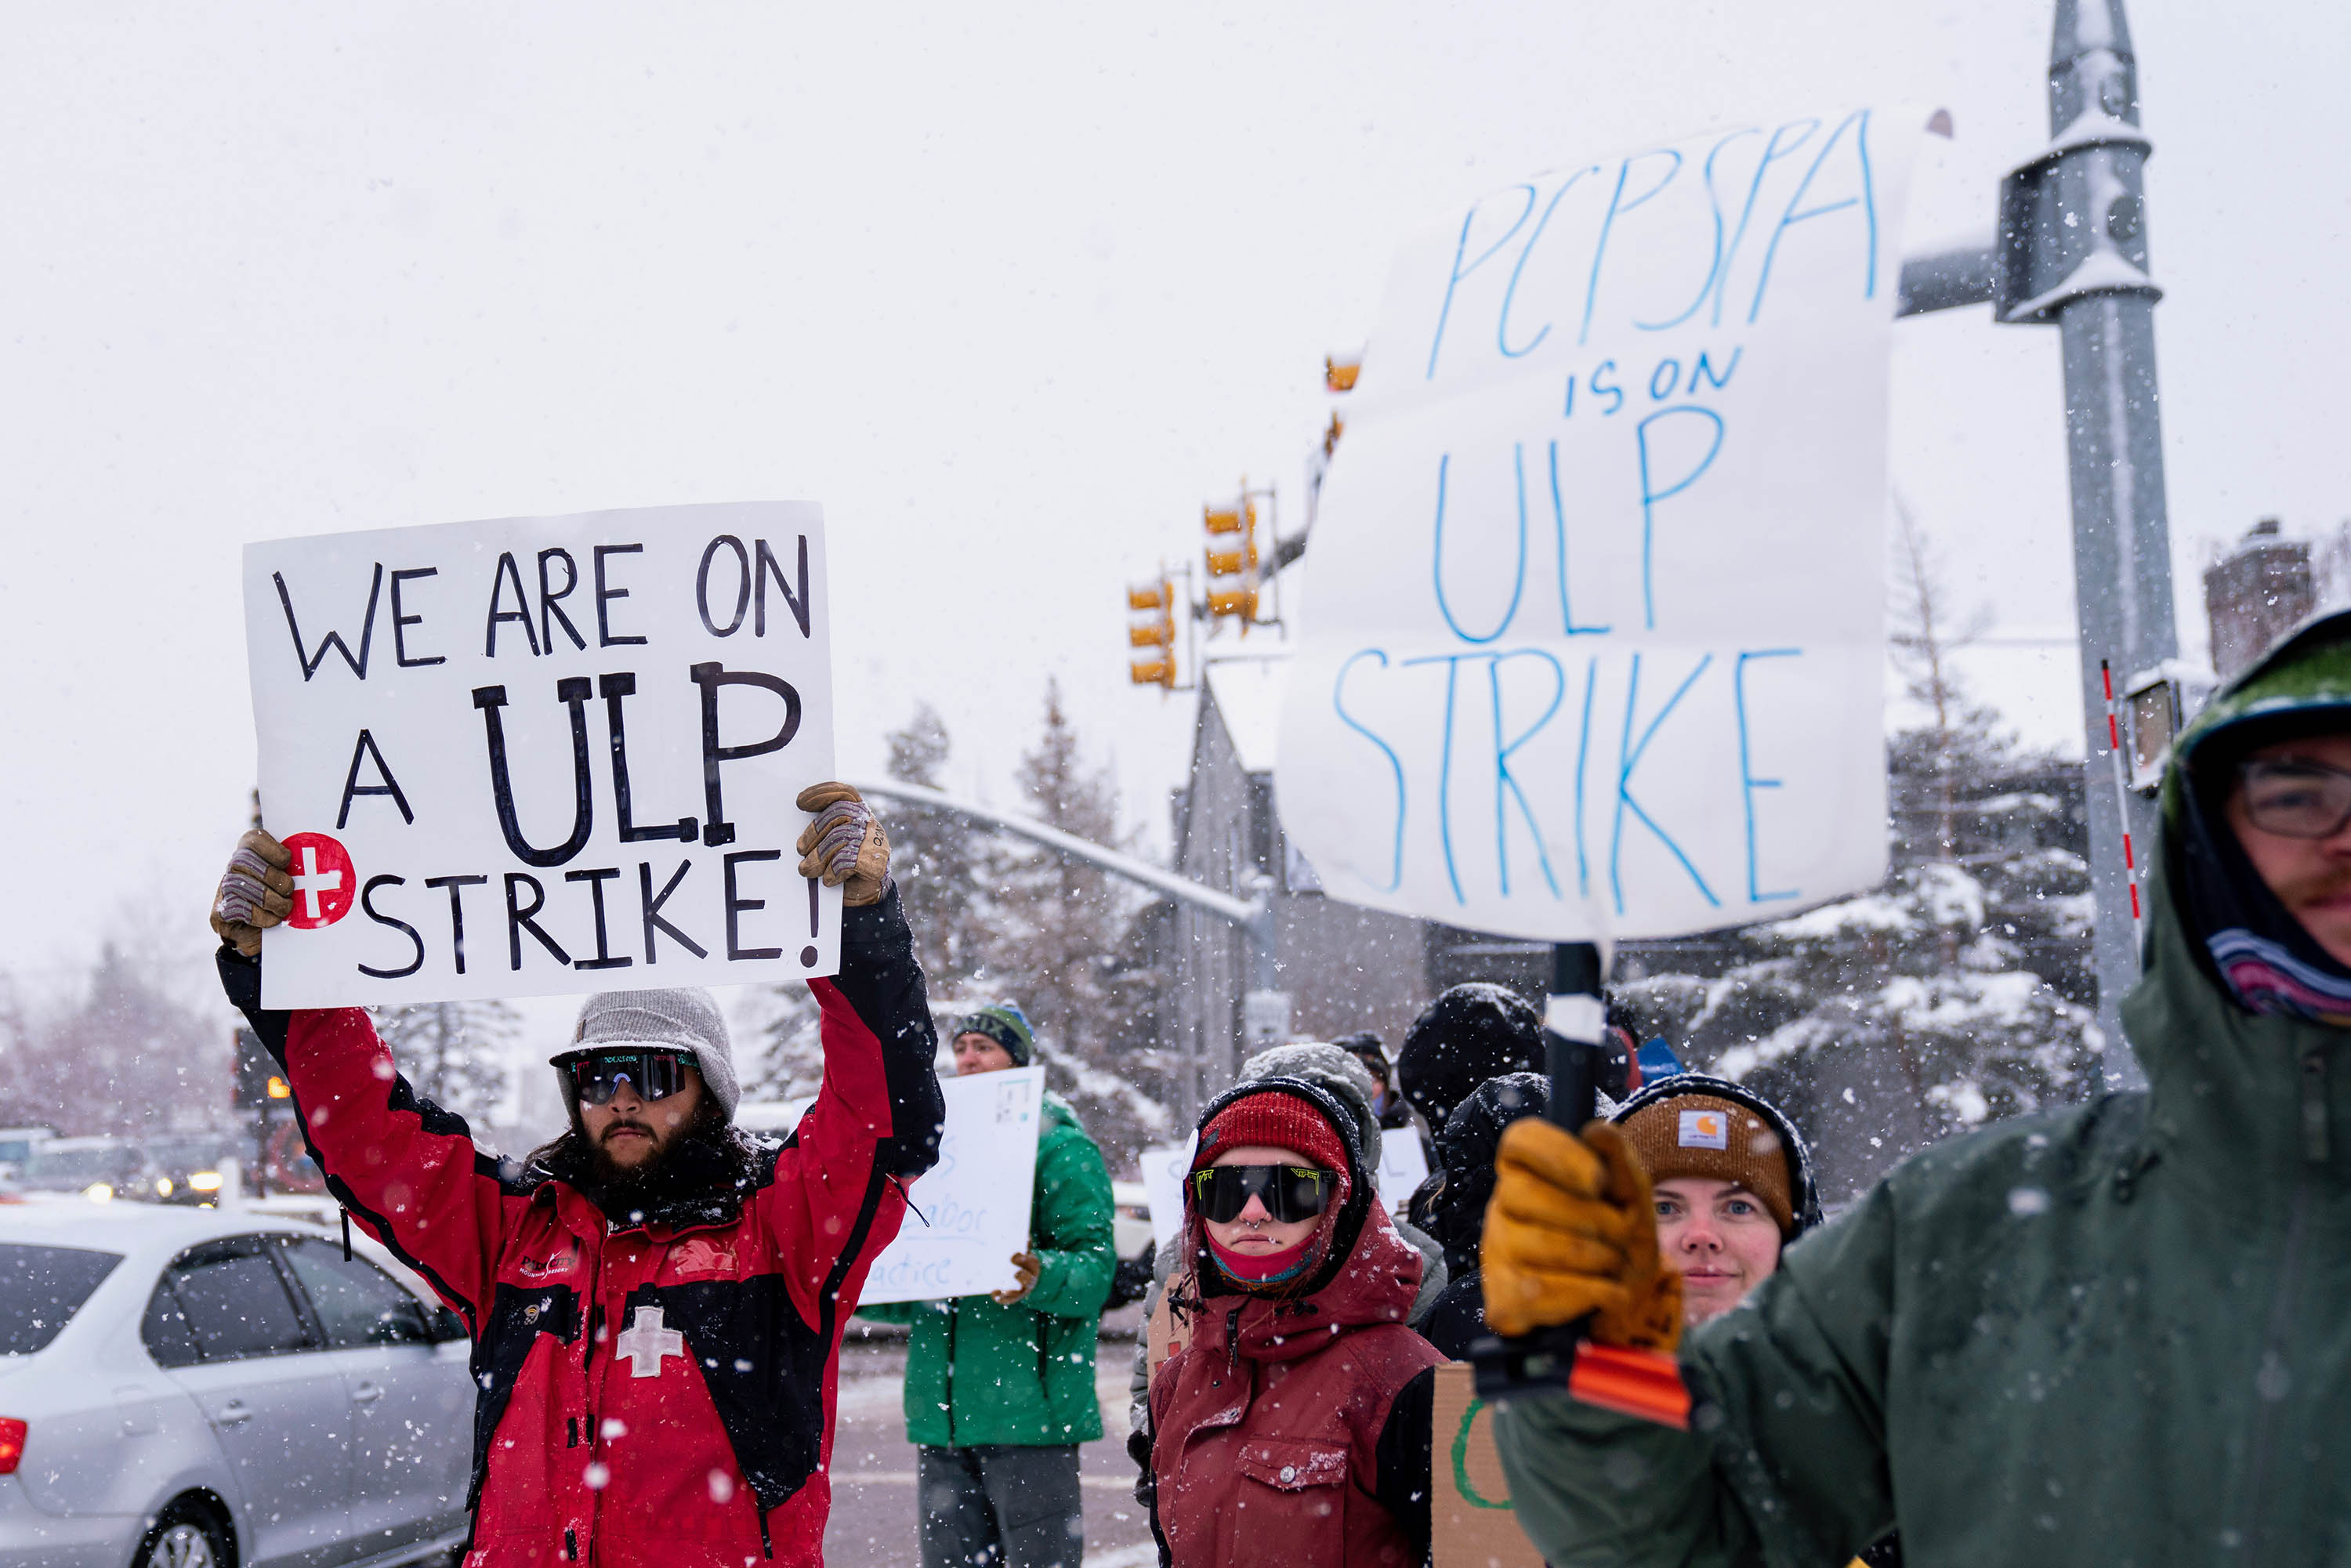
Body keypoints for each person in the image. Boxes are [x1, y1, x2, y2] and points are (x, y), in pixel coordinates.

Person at [1480, 610, 2351, 1564]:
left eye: (1736, 1201)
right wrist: (1591, 1368)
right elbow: (1686, 1537)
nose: (2346, 834)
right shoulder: (1966, 1235)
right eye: (2298, 789)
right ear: (2208, 841)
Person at [206, 783, 944, 1568]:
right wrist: (283, 965)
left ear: (710, 1093)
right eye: (597, 1077)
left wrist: (857, 929)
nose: (621, 1098)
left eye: (654, 1075)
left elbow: (884, 1117)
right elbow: (366, 1133)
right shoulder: (515, 1232)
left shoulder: (781, 1228)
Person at [1139, 1076, 1445, 1567]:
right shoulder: (1177, 1383)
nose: (1254, 1212)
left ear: (1338, 1201)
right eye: (1224, 1190)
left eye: (1289, 1189)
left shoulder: (1410, 1383)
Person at [858, 1001, 1116, 1568]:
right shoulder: (934, 1149)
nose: (968, 1058)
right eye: (961, 1048)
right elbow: (917, 1294)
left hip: (1031, 1420)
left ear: (1018, 1060)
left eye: (985, 1046)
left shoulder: (1061, 1148)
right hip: (941, 1422)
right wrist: (865, 1278)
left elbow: (1096, 1272)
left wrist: (1038, 1276)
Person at [1335, 1030, 1415, 1130]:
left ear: (1385, 1085)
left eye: (1373, 1078)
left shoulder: (1413, 1142)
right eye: (1353, 1079)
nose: (1365, 1086)